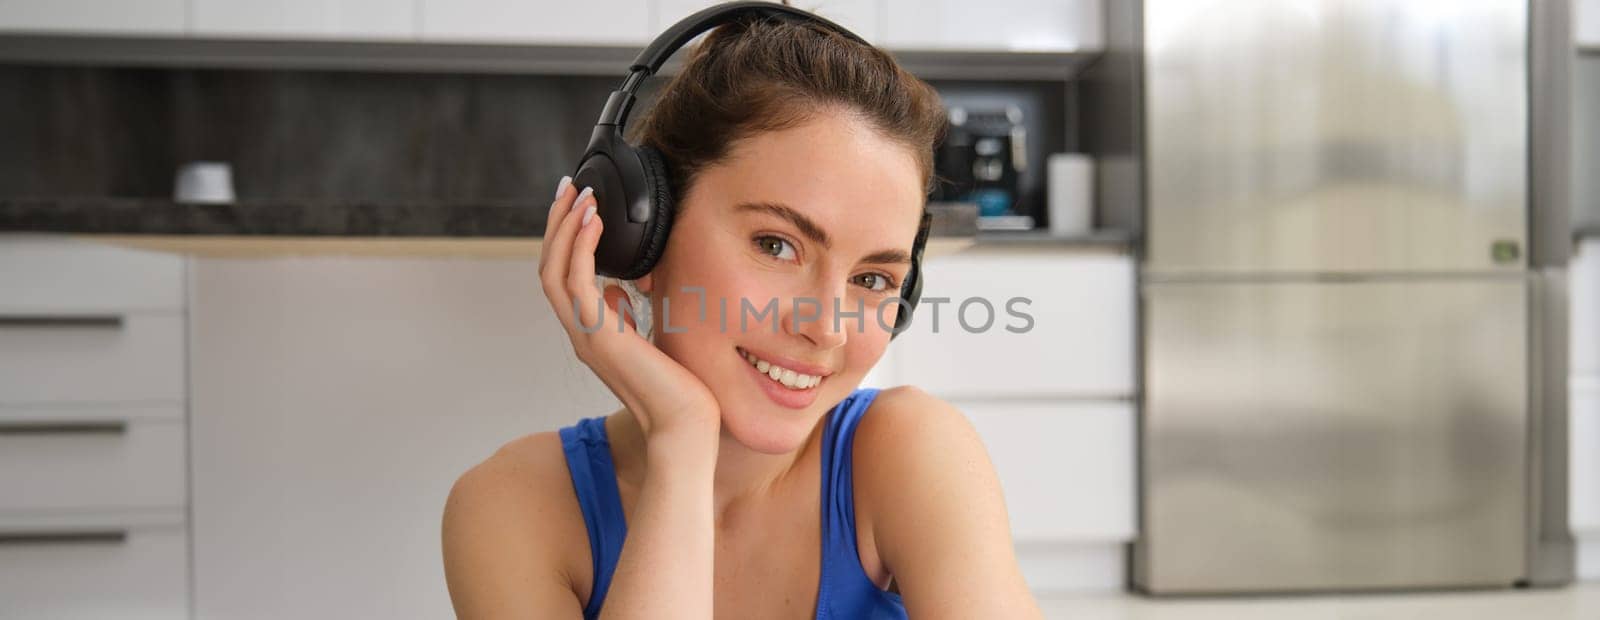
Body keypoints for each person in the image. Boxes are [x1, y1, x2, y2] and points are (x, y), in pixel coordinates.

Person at [441, 10, 1041, 619]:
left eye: (871, 279)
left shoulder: (910, 454)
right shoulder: (514, 507)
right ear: (642, 235)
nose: (826, 327)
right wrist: (681, 443)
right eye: (776, 245)